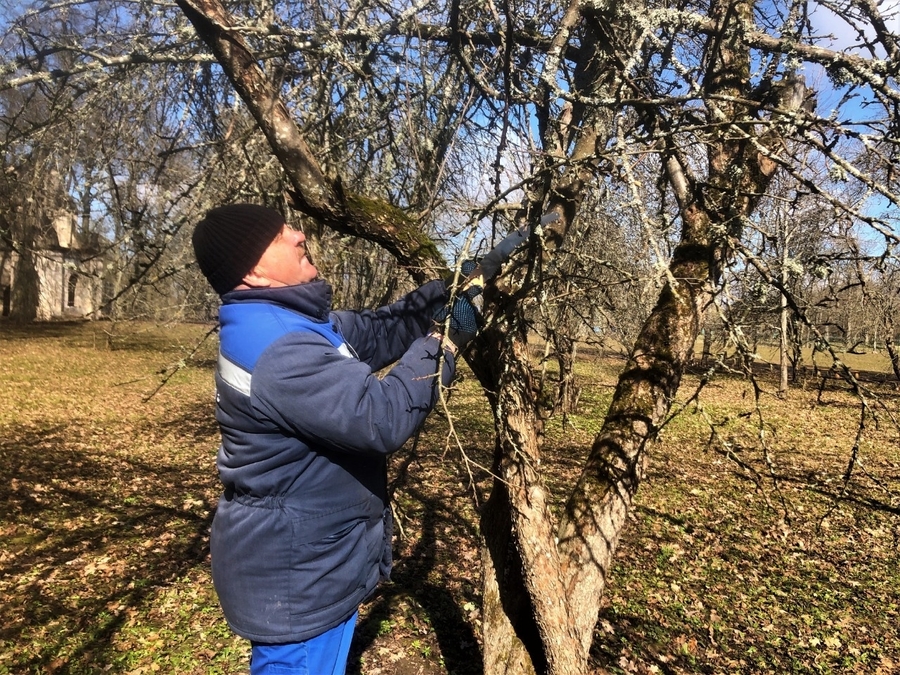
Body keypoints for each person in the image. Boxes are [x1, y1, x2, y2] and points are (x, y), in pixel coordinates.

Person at [191, 203, 465, 675]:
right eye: (280, 235)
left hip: (311, 565)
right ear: (254, 270)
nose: (299, 234)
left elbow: (380, 331)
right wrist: (446, 342)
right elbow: (381, 417)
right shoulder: (278, 347)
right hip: (298, 580)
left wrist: (448, 292)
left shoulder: (293, 325)